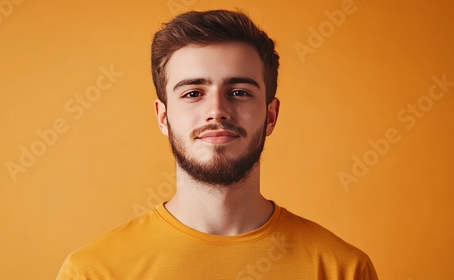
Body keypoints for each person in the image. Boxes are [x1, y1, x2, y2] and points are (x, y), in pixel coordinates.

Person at [57, 9, 378, 279]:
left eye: (239, 92)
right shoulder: (93, 272)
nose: (217, 112)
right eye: (193, 93)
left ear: (270, 115)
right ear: (163, 117)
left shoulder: (342, 269)